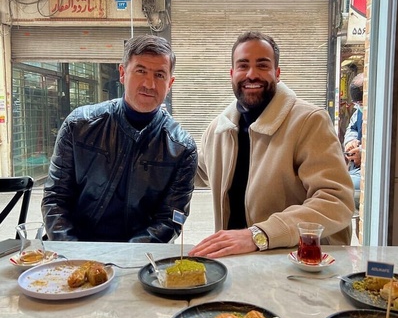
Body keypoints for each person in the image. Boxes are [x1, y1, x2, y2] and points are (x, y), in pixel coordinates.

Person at [189, 31, 355, 258]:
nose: (251, 74)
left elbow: (336, 201)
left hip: (293, 264)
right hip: (231, 263)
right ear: (232, 74)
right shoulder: (219, 130)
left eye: (262, 65)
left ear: (277, 73)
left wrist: (260, 235)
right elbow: (196, 170)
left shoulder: (309, 121)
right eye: (243, 65)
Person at [42, 35, 197, 243]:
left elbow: (170, 220)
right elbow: (55, 199)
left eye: (159, 75)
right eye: (141, 71)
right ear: (123, 73)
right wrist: (74, 253)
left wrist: (126, 256)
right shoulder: (79, 125)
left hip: (142, 255)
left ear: (170, 83)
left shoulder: (181, 148)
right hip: (75, 250)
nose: (149, 84)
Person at [343, 73, 363, 209]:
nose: (359, 106)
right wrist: (351, 142)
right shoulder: (359, 112)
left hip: (366, 173)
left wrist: (363, 153)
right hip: (356, 169)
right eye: (357, 104)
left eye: (361, 103)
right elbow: (352, 128)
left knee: (342, 187)